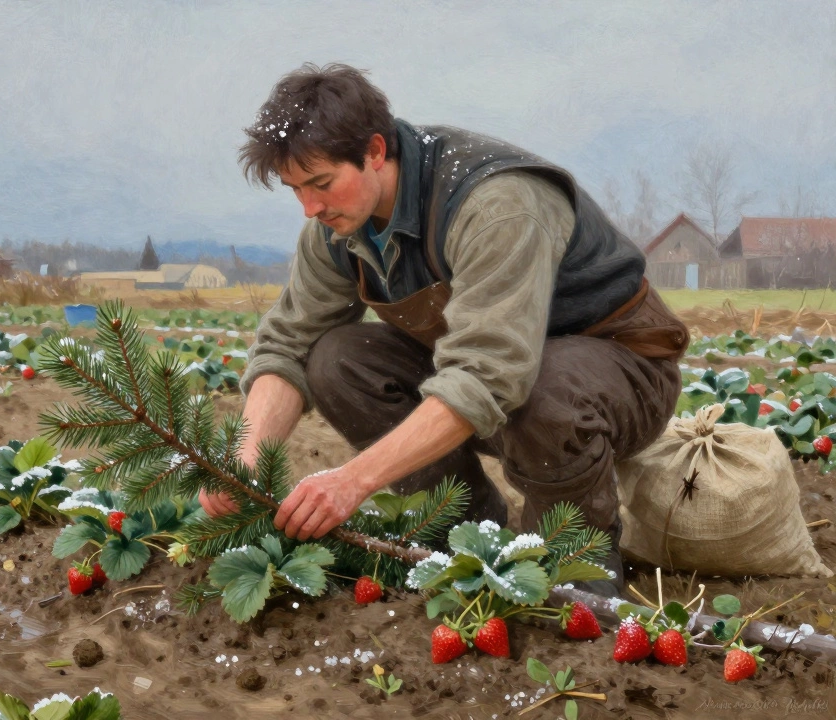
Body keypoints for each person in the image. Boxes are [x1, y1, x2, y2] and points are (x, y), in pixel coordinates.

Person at [198, 62, 690, 594]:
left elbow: (488, 374)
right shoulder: (336, 225)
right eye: (296, 189)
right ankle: (462, 534)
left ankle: (574, 566)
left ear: (375, 151)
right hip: (498, 377)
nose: (310, 208)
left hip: (620, 371)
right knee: (337, 360)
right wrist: (244, 460)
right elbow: (289, 342)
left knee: (542, 392)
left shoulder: (496, 204)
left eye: (321, 184)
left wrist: (352, 481)